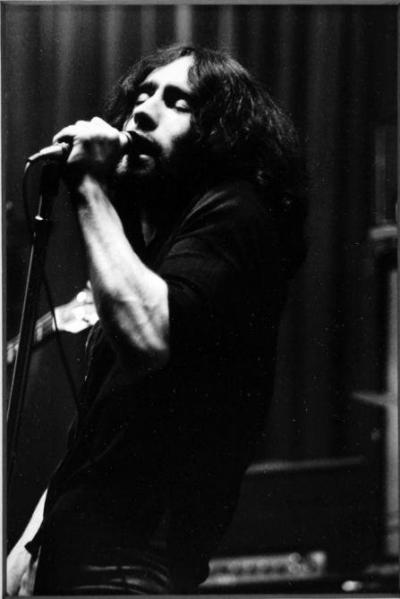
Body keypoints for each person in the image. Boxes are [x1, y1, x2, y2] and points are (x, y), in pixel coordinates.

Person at [7, 44, 307, 595]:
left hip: (131, 569)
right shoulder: (151, 254)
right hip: (76, 561)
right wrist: (29, 546)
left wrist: (89, 186)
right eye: (142, 95)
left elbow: (149, 338)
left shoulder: (237, 212)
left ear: (222, 131)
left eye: (177, 102)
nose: (143, 111)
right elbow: (100, 436)